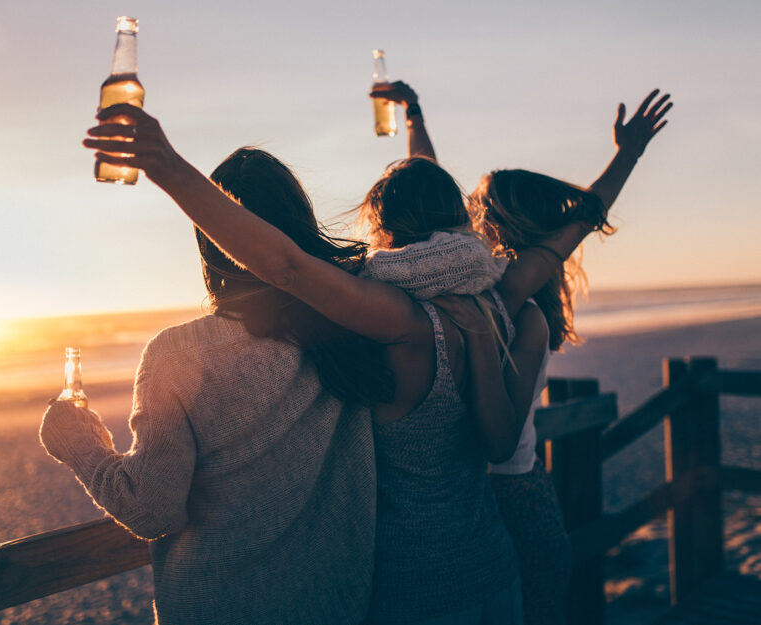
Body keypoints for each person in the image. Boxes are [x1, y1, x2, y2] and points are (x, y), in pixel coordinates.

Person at [79, 94, 632, 622]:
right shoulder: (492, 296)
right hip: (492, 569)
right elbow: (564, 231)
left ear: (386, 229)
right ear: (457, 221)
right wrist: (627, 156)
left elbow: (287, 267)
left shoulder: (393, 317)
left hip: (411, 592)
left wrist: (168, 167)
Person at [39, 148, 395, 625]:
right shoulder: (353, 324)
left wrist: (81, 446)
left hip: (218, 605)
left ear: (211, 240)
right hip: (334, 604)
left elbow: (152, 511)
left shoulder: (180, 357)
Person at [370, 82, 672, 624]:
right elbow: (434, 196)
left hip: (500, 496)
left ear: (496, 221)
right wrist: (413, 113)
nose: (470, 216)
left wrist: (628, 156)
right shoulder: (498, 291)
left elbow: (576, 220)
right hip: (507, 496)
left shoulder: (499, 295)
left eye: (480, 208)